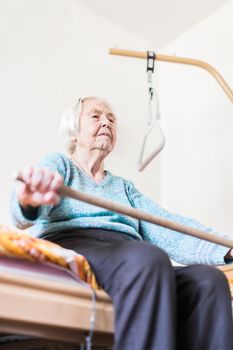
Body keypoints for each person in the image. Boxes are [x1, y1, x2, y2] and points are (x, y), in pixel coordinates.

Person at [11, 95, 233, 350]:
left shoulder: (124, 188)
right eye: (95, 116)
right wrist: (28, 201)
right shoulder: (60, 165)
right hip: (73, 249)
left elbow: (168, 226)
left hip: (127, 255)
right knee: (147, 258)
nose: (106, 122)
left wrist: (226, 247)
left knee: (208, 282)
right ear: (73, 133)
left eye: (111, 119)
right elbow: (27, 202)